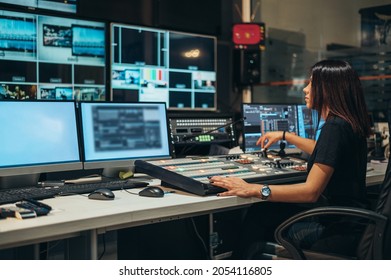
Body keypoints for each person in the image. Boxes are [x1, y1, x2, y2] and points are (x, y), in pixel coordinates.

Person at [209, 60, 372, 258]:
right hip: (354, 225)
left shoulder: (334, 127)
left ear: (328, 89)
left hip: (334, 231)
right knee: (265, 212)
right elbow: (326, 152)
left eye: (312, 83)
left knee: (259, 214)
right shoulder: (348, 123)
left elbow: (309, 192)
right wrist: (286, 135)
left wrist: (254, 189)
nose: (305, 89)